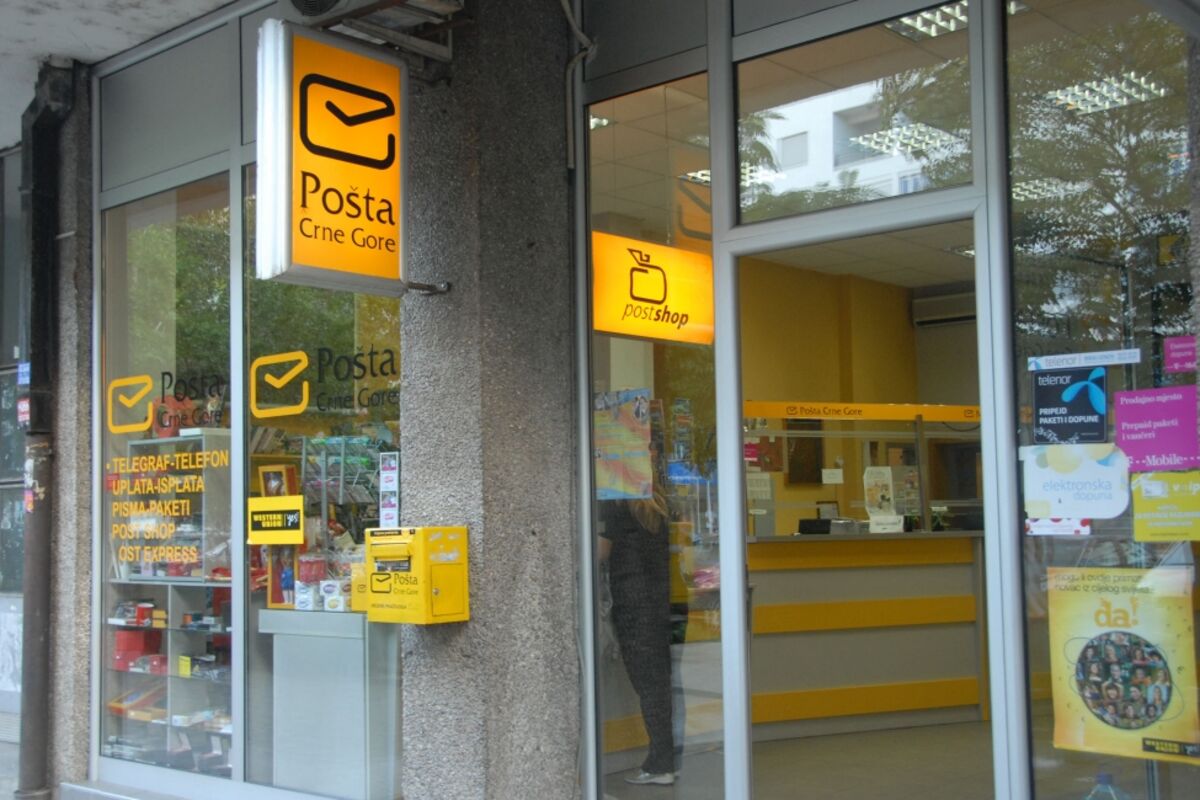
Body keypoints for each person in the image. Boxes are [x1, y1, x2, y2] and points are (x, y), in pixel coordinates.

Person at [599, 474, 675, 786]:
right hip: (658, 602)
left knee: (648, 685)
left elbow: (601, 553)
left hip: (633, 605)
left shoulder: (618, 508)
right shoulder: (658, 507)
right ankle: (667, 757)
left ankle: (660, 763)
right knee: (660, 684)